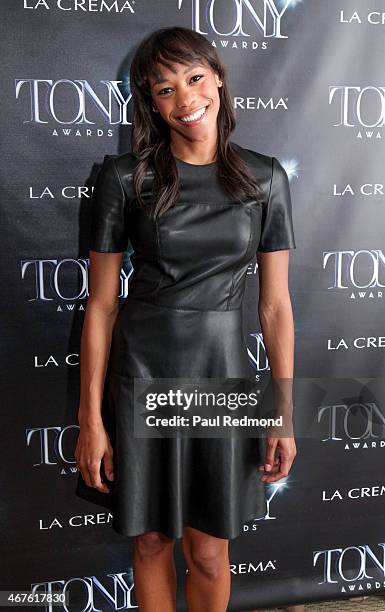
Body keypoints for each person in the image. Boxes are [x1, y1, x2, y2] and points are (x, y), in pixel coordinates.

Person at [75, 26, 297, 612]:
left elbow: (274, 306)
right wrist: (90, 418)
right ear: (151, 101)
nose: (185, 99)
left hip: (221, 375)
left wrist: (282, 411)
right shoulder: (125, 179)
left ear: (218, 78)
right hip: (143, 372)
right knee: (150, 542)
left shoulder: (266, 178)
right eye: (165, 88)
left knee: (208, 552)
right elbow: (99, 305)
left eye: (195, 78)